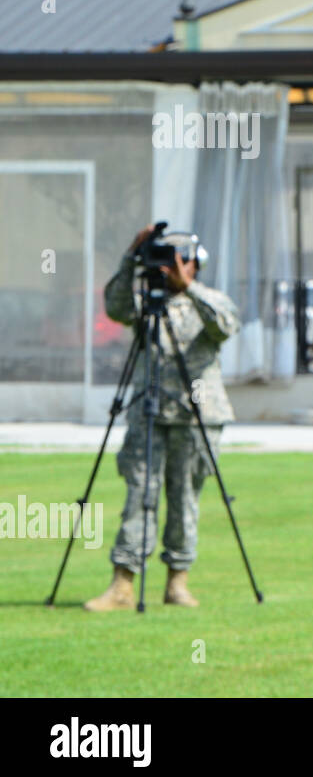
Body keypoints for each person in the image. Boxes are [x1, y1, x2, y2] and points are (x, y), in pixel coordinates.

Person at [84, 228, 240, 611]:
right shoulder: (146, 302)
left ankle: (177, 582)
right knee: (140, 493)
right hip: (149, 412)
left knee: (185, 498)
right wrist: (130, 258)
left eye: (177, 259)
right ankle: (122, 585)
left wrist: (188, 286)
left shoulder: (211, 300)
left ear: (194, 263)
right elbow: (115, 308)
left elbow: (225, 325)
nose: (169, 267)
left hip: (195, 415)